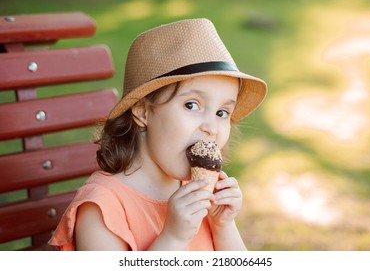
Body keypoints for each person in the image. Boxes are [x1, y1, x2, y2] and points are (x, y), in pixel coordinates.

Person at [48, 18, 267, 251]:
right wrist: (173, 238)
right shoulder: (103, 208)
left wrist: (224, 226)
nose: (211, 127)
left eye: (222, 112)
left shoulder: (202, 197)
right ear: (143, 111)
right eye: (192, 105)